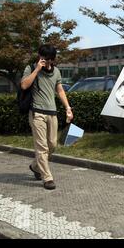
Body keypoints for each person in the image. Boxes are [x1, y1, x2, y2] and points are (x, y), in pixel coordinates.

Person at [21, 45, 74, 190]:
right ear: (39, 56)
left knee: (52, 145)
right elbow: (24, 86)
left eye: (51, 60)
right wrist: (37, 69)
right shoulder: (30, 68)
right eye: (46, 59)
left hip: (52, 112)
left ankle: (35, 166)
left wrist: (67, 107)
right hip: (37, 112)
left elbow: (60, 90)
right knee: (42, 147)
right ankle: (47, 178)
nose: (49, 63)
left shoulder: (56, 71)